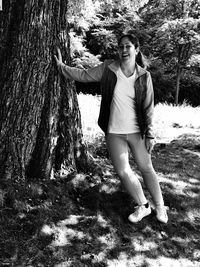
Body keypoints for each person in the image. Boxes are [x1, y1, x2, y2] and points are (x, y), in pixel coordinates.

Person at [54, 33, 168, 224]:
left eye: (128, 46)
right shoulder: (108, 68)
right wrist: (61, 67)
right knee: (123, 171)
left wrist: (150, 134)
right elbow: (84, 75)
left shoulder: (144, 76)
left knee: (146, 168)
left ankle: (161, 207)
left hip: (137, 132)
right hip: (114, 131)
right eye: (121, 46)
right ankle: (144, 206)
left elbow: (148, 108)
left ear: (136, 49)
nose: (123, 50)